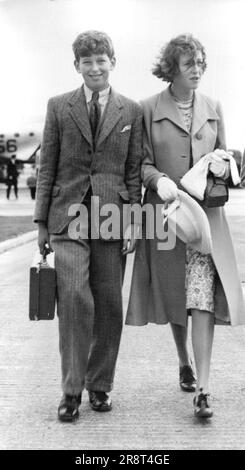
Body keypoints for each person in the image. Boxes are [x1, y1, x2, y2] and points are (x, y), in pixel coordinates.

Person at [126, 34, 245, 418]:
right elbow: (139, 163)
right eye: (188, 64)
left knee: (203, 298)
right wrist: (155, 179)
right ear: (171, 69)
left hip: (206, 220)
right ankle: (184, 361)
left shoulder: (214, 107)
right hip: (165, 217)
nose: (197, 71)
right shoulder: (146, 109)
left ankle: (204, 391)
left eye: (200, 63)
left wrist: (224, 166)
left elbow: (227, 160)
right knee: (176, 295)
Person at [34, 30, 142, 422]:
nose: (94, 68)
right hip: (67, 217)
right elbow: (48, 168)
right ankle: (71, 390)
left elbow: (133, 171)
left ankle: (99, 386)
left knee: (110, 306)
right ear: (76, 66)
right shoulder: (59, 106)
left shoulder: (131, 111)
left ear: (113, 62)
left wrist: (133, 222)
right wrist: (41, 223)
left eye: (101, 60)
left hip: (112, 218)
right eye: (87, 62)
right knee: (76, 301)